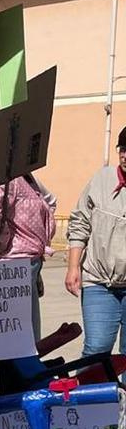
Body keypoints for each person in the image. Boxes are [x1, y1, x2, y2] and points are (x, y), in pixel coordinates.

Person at [67, 130, 126, 353]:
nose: (125, 156)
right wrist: (73, 267)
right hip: (99, 283)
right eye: (122, 150)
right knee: (97, 348)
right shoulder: (102, 179)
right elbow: (80, 222)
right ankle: (92, 388)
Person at [0, 174, 57, 346]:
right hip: (12, 263)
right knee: (21, 338)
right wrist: (2, 244)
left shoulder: (28, 179)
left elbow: (51, 200)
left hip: (30, 261)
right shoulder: (5, 180)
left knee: (29, 335)